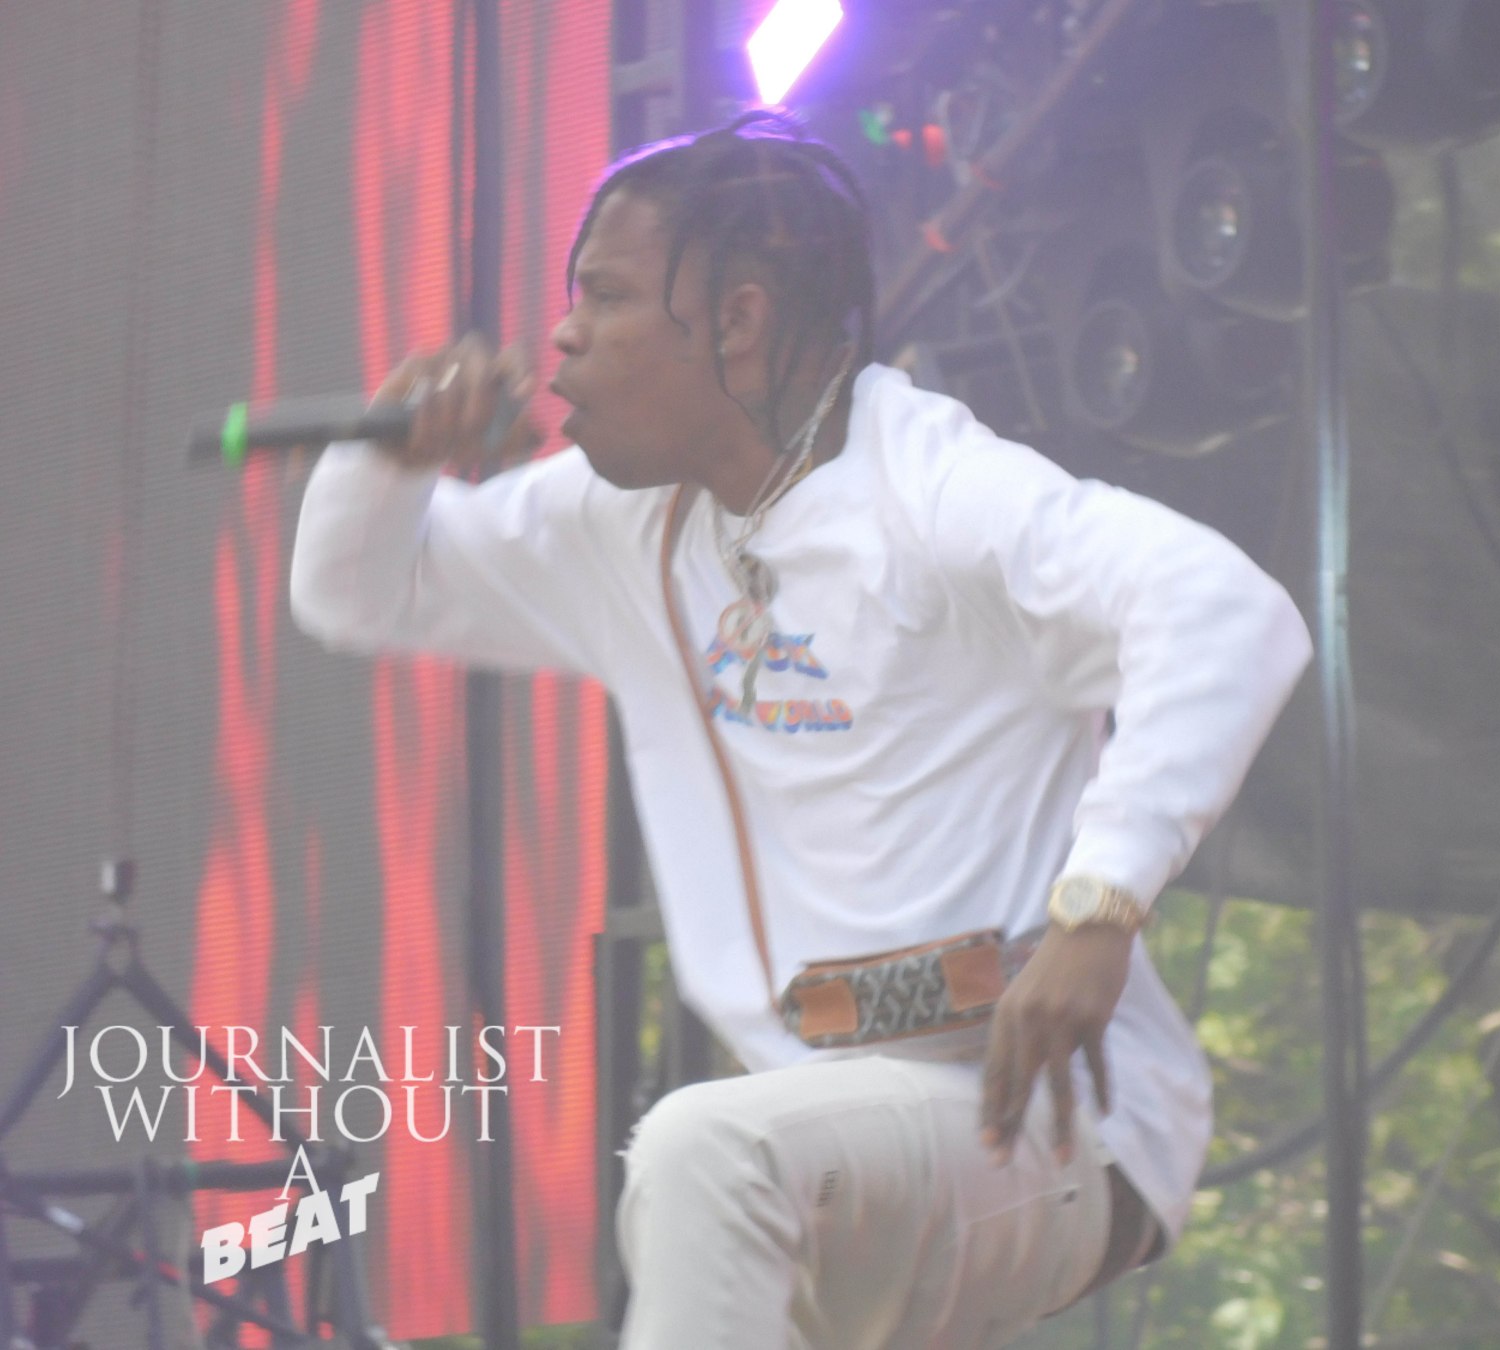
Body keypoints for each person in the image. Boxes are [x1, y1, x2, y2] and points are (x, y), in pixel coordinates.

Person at [290, 111, 1311, 1349]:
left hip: (1055, 1126)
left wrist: (1100, 912)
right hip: (826, 1129)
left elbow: (1227, 611)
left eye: (605, 296)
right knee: (727, 1159)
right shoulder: (618, 522)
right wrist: (394, 456)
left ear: (737, 320)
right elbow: (355, 592)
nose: (561, 335)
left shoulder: (927, 488)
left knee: (704, 1152)